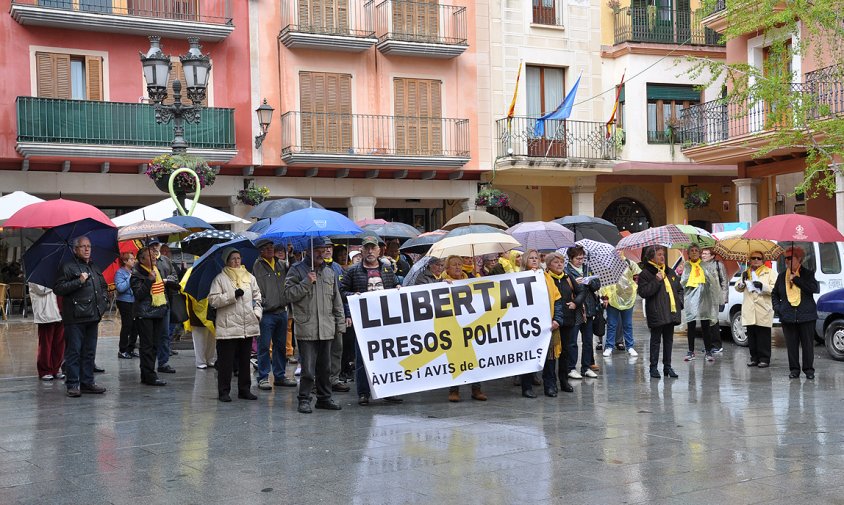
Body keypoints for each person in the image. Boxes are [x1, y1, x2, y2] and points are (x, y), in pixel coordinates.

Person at [284, 237, 346, 413]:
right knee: (308, 370)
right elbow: (288, 295)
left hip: (327, 327)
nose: (321, 253)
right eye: (317, 249)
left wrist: (339, 325)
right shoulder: (296, 270)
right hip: (307, 327)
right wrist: (306, 283)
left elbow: (336, 301)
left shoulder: (329, 272)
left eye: (324, 249)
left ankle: (324, 398)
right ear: (308, 251)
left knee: (325, 368)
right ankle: (304, 399)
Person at [341, 235, 403, 406]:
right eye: (366, 248)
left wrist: (398, 288)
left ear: (378, 250)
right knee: (362, 358)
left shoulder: (387, 270)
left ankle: (389, 390)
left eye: (372, 248)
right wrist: (353, 296)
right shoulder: (353, 270)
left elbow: (395, 286)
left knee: (388, 355)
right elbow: (341, 291)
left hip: (385, 321)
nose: (369, 251)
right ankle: (363, 392)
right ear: (361, 250)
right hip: (363, 322)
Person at [53, 236, 109, 397]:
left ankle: (87, 382)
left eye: (89, 246)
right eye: (83, 246)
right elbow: (59, 289)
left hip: (93, 315)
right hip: (75, 317)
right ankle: (72, 384)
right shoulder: (67, 267)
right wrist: (79, 281)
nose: (86, 249)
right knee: (74, 352)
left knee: (89, 351)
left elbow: (103, 286)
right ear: (75, 249)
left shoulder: (94, 266)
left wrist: (103, 303)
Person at [208, 247, 262, 402]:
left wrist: (257, 314)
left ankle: (244, 389)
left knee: (245, 361)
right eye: (233, 258)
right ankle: (223, 391)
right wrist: (232, 295)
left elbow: (258, 297)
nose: (236, 261)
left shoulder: (250, 277)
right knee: (226, 362)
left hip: (247, 325)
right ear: (227, 261)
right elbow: (213, 300)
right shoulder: (220, 279)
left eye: (238, 258)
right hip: (228, 326)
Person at [441, 255, 487, 402]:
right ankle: (454, 390)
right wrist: (442, 284)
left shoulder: (471, 278)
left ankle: (476, 388)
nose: (458, 267)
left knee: (475, 356)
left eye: (459, 264)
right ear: (447, 268)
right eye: (454, 265)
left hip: (471, 324)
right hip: (452, 325)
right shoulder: (441, 282)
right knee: (456, 358)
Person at [253, 239, 296, 390]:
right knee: (264, 346)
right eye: (266, 248)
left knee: (280, 346)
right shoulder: (256, 266)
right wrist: (263, 302)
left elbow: (292, 269)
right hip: (266, 313)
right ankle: (263, 377)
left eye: (272, 247)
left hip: (281, 311)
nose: (270, 249)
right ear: (260, 251)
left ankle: (280, 375)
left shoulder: (280, 263)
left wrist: (290, 254)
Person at [519, 249, 563, 398]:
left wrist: (557, 319)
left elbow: (557, 299)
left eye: (536, 258)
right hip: (527, 325)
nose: (534, 260)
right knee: (528, 356)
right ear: (525, 261)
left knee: (550, 357)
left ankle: (550, 386)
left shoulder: (546, 277)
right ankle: (526, 387)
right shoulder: (518, 278)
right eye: (530, 258)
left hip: (547, 325)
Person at [772, 246, 819, 379]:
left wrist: (797, 279)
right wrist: (778, 308)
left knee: (808, 346)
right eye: (785, 258)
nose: (786, 261)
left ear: (799, 259)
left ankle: (809, 370)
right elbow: (774, 294)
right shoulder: (781, 276)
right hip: (788, 316)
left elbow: (814, 289)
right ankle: (794, 370)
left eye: (789, 258)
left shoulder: (808, 274)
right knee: (792, 346)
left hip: (806, 316)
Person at [638, 245, 683, 379]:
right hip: (657, 312)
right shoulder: (645, 274)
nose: (662, 257)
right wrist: (656, 281)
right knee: (655, 341)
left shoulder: (669, 271)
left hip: (671, 311)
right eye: (659, 254)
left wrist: (680, 302)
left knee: (669, 340)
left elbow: (679, 289)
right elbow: (644, 292)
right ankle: (653, 368)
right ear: (651, 257)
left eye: (663, 254)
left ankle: (667, 367)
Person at [131, 247, 169, 387]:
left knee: (154, 345)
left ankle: (148, 374)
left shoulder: (156, 270)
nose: (153, 256)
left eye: (153, 253)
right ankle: (149, 375)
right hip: (145, 313)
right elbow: (139, 294)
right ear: (141, 260)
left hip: (158, 311)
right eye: (149, 254)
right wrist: (149, 281)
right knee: (147, 346)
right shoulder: (136, 273)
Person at [545, 252, 581, 394]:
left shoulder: (567, 277)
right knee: (551, 354)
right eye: (556, 262)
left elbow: (581, 292)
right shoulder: (545, 279)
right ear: (548, 265)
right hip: (552, 322)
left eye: (561, 262)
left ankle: (564, 381)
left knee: (566, 352)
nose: (560, 265)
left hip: (567, 320)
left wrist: (575, 303)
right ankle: (550, 384)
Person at [735, 250, 776, 368]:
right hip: (749, 308)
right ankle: (754, 358)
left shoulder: (769, 273)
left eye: (758, 258)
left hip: (763, 308)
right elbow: (738, 287)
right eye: (753, 258)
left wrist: (762, 286)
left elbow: (775, 289)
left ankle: (764, 359)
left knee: (763, 336)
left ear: (763, 260)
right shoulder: (746, 272)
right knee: (752, 336)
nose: (756, 260)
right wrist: (742, 282)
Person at [565, 246, 601, 379]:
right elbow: (564, 290)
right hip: (576, 310)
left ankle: (586, 367)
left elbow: (597, 285)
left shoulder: (587, 269)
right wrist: (576, 284)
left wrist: (589, 282)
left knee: (588, 340)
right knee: (573, 341)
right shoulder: (566, 270)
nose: (580, 261)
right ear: (571, 258)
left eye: (582, 258)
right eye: (578, 258)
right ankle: (571, 367)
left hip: (589, 308)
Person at [680, 244, 721, 363]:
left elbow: (713, 281)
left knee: (705, 325)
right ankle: (690, 351)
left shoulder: (706, 266)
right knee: (691, 325)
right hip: (691, 299)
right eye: (691, 250)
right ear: (688, 253)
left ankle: (708, 351)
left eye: (696, 251)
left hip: (705, 298)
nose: (694, 252)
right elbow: (683, 282)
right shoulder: (686, 266)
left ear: (700, 253)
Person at [600, 253, 641, 357]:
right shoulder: (608, 265)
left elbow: (638, 276)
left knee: (627, 324)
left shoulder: (630, 264)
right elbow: (604, 281)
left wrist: (634, 286)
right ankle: (609, 346)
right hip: (613, 298)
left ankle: (630, 346)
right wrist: (604, 297)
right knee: (611, 324)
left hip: (628, 298)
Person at [322, 243, 349, 393]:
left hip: (336, 313)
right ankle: (318, 380)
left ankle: (334, 379)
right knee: (321, 351)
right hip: (321, 314)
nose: (327, 250)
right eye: (324, 247)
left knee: (337, 349)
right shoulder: (315, 268)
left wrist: (346, 314)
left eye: (329, 248)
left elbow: (342, 293)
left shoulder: (338, 268)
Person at [149, 239, 178, 374]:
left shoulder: (166, 260)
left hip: (165, 300)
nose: (155, 248)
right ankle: (149, 364)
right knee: (151, 336)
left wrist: (167, 280)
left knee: (165, 334)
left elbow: (175, 277)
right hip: (150, 303)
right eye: (152, 246)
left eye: (156, 245)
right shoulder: (145, 261)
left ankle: (163, 362)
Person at [181, 266, 216, 370]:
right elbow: (184, 287)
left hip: (211, 306)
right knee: (200, 336)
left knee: (212, 336)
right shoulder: (192, 270)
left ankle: (209, 358)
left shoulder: (214, 269)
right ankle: (200, 360)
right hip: (196, 307)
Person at [29, 283, 65, 382]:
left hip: (60, 310)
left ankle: (56, 368)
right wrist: (56, 283)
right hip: (46, 312)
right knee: (46, 343)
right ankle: (45, 370)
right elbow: (40, 289)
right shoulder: (35, 274)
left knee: (59, 344)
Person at [701, 248, 728, 353]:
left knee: (713, 322)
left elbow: (724, 281)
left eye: (706, 253)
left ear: (712, 256)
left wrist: (724, 299)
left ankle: (717, 345)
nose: (703, 255)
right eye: (702, 253)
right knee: (705, 323)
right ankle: (708, 345)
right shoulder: (700, 266)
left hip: (714, 298)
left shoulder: (718, 265)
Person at [115, 251, 139, 360]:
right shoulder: (120, 273)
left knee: (135, 326)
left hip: (134, 301)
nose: (134, 261)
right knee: (127, 325)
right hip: (124, 301)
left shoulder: (134, 271)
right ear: (125, 261)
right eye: (131, 259)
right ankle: (123, 350)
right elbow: (120, 288)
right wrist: (130, 278)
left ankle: (131, 348)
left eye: (134, 259)